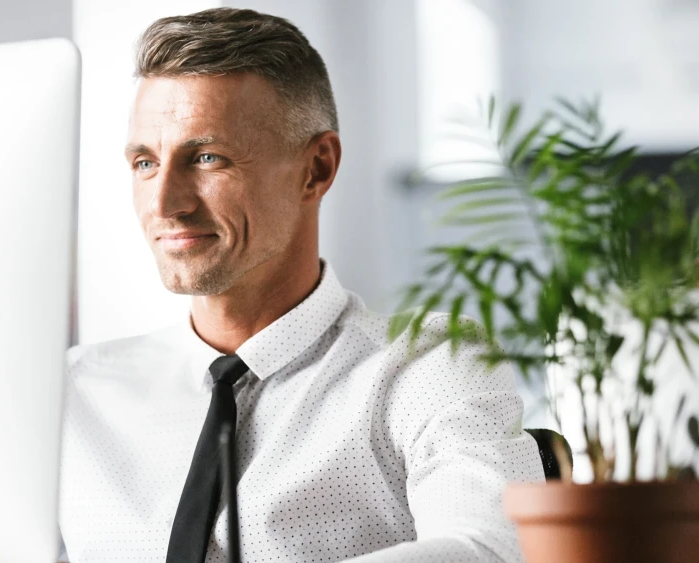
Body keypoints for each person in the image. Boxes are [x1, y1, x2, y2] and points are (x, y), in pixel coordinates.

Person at [58, 7, 543, 563]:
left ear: (316, 168)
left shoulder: (427, 365)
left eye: (208, 158)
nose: (166, 203)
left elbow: (489, 549)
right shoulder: (75, 392)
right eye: (145, 163)